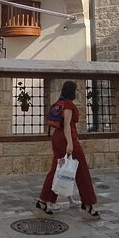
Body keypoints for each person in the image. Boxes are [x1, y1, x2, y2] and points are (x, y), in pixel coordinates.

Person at [36, 80, 99, 218]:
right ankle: (87, 205)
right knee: (82, 170)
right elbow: (66, 125)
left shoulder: (60, 102)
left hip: (57, 138)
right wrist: (70, 143)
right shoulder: (68, 105)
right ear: (72, 91)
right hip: (67, 139)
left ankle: (43, 201)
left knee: (56, 170)